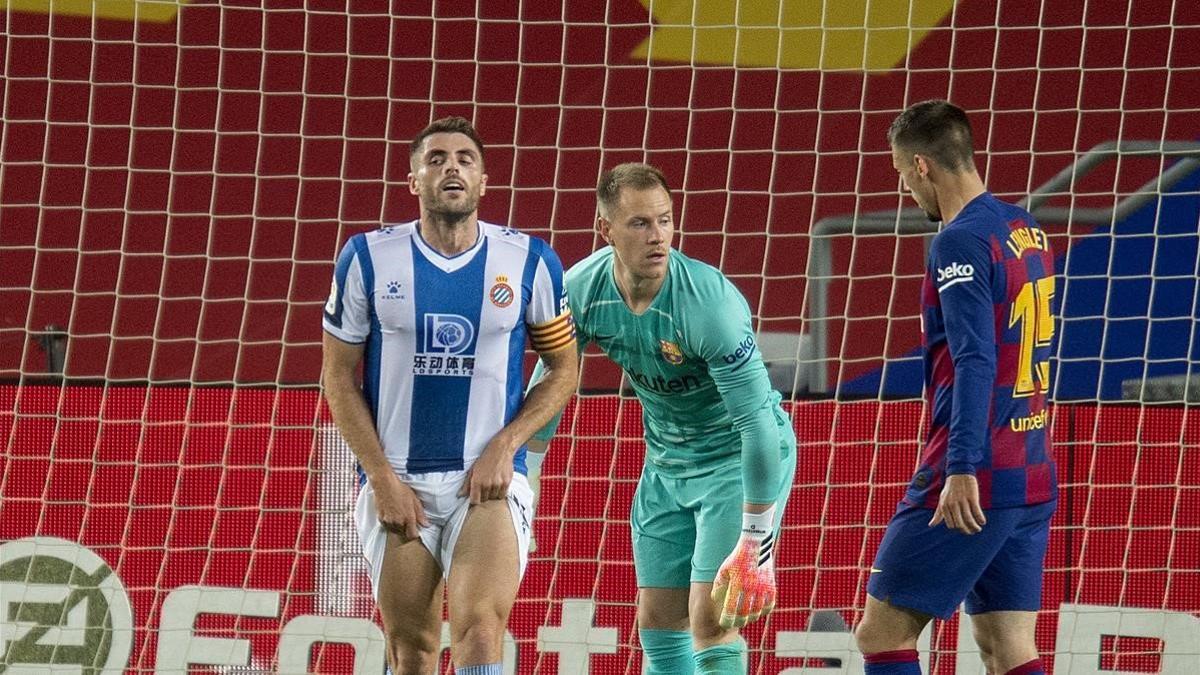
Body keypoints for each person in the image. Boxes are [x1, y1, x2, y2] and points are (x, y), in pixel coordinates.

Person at [321, 116, 579, 675]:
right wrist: (380, 477)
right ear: (414, 181)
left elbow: (564, 368)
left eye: (464, 159)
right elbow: (337, 377)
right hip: (398, 480)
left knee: (481, 632)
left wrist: (507, 446)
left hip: (483, 479)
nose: (451, 167)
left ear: (484, 181)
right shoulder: (367, 257)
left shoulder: (529, 260)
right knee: (411, 648)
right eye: (435, 159)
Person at [527, 163, 797, 675]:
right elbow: (551, 380)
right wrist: (529, 472)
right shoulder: (582, 290)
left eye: (666, 221)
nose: (658, 237)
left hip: (735, 460)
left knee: (710, 616)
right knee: (656, 620)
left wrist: (754, 539)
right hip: (667, 463)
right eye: (640, 224)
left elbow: (758, 426)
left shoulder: (708, 306)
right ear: (605, 229)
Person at [854, 100, 1057, 675]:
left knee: (881, 633)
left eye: (900, 174)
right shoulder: (1026, 229)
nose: (905, 190)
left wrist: (962, 468)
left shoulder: (958, 243)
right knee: (1005, 645)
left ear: (922, 166)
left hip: (976, 472)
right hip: (1033, 465)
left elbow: (975, 360)